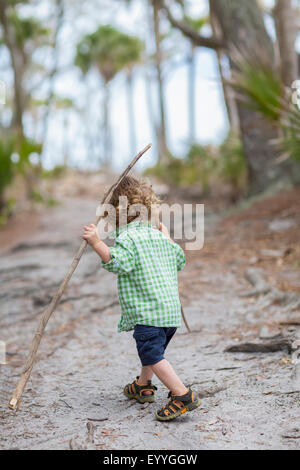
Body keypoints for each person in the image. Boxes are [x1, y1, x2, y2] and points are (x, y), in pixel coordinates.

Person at [82, 176, 200, 421]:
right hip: (169, 314)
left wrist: (96, 243)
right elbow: (180, 260)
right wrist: (167, 237)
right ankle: (143, 386)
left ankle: (181, 394)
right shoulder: (157, 236)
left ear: (114, 216)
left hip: (149, 313)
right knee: (152, 352)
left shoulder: (127, 239)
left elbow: (118, 262)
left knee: (152, 354)